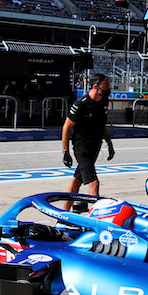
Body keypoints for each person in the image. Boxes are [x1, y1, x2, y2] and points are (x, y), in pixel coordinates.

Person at [61, 73, 114, 205]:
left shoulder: (104, 102)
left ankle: (63, 216)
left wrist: (109, 144)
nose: (109, 88)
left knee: (76, 182)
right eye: (106, 86)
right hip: (82, 148)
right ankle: (95, 220)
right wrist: (66, 152)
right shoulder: (81, 104)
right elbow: (66, 127)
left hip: (95, 147)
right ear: (96, 87)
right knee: (94, 183)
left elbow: (102, 126)